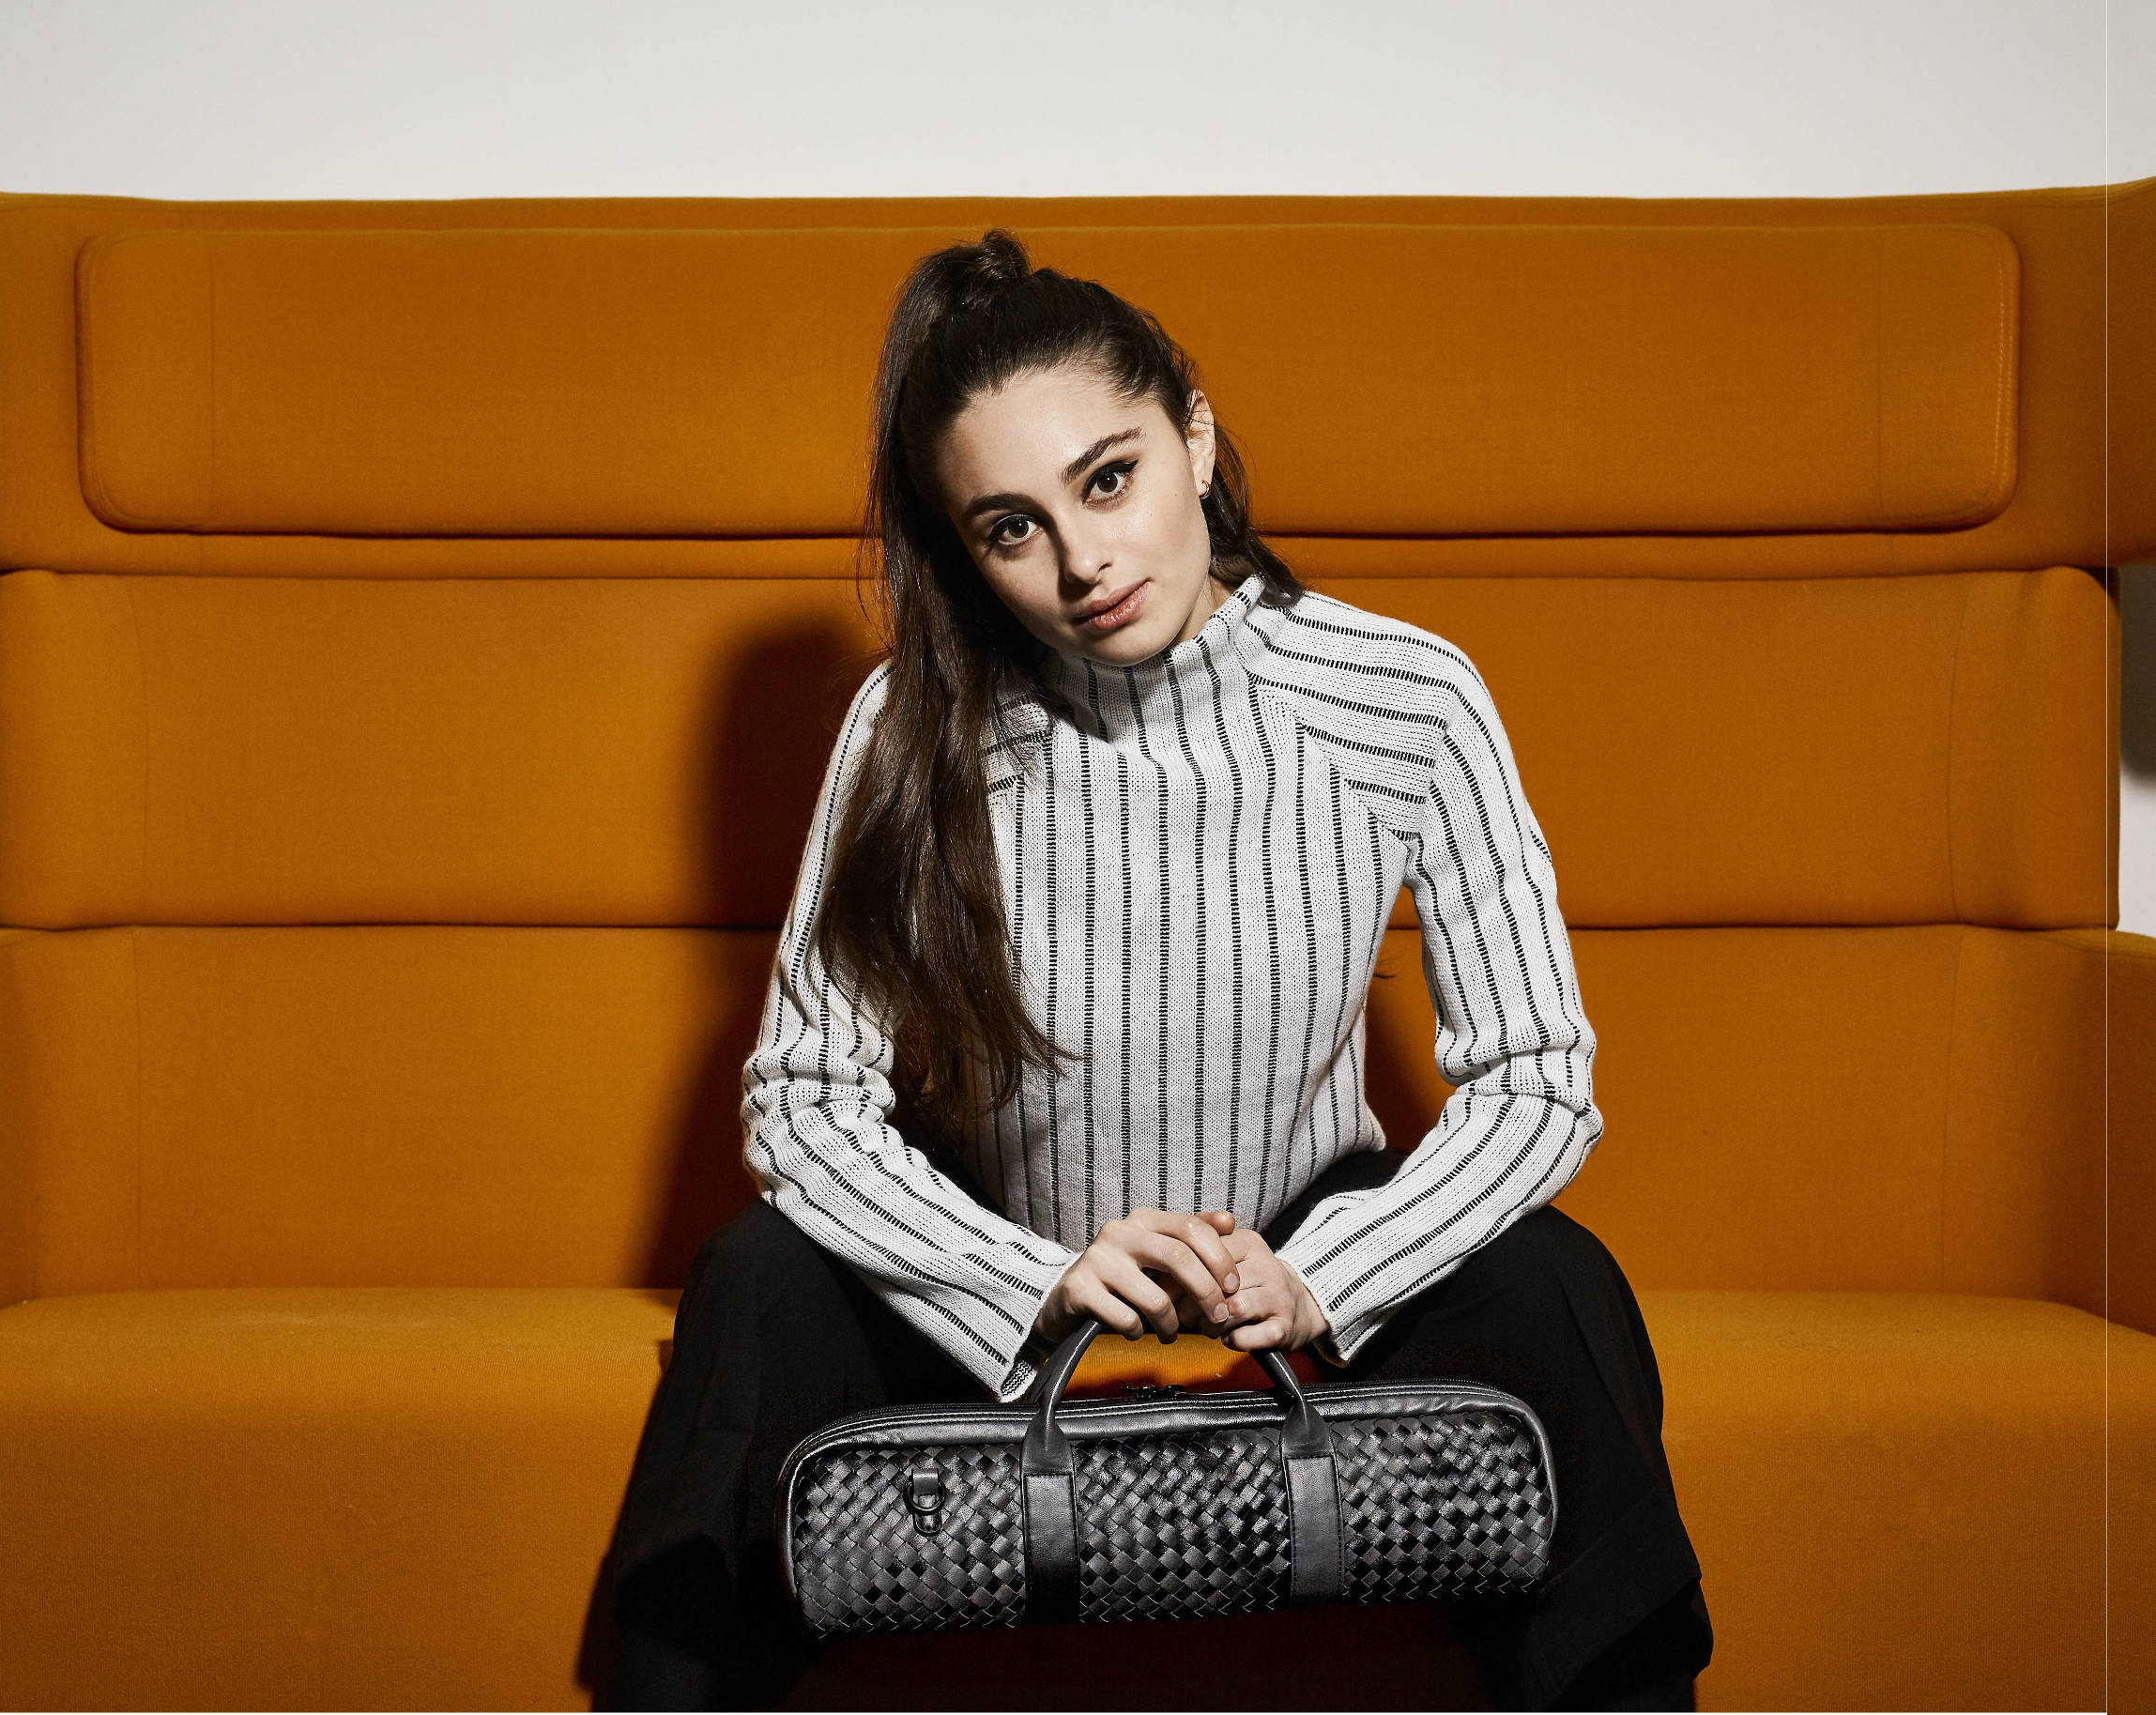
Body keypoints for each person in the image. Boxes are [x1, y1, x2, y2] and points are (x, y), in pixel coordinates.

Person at [592, 229, 1713, 1711]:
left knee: (1562, 1290)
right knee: (751, 1281)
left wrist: (1324, 1277)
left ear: (1190, 429)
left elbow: (1534, 1079)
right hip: (1005, 1254)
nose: (1082, 561)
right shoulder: (912, 724)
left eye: (1106, 478)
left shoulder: (1404, 694)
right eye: (1009, 527)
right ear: (965, 549)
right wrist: (1037, 1276)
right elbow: (804, 1101)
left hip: (1308, 1246)